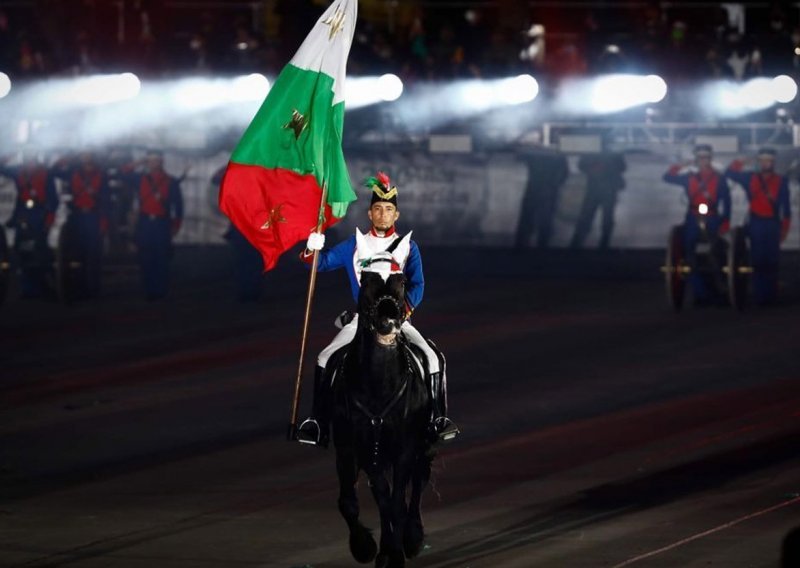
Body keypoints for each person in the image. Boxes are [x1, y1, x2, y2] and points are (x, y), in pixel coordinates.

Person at [296, 172, 459, 447]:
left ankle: (437, 419)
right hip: (362, 320)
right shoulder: (355, 245)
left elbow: (418, 284)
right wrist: (312, 249)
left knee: (434, 359)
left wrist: (404, 310)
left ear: (396, 215)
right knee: (324, 358)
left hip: (398, 320)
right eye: (378, 209)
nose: (383, 215)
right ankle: (318, 422)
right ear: (370, 214)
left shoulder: (409, 247)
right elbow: (320, 265)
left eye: (389, 210)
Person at [662, 144, 732, 304]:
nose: (703, 161)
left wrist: (725, 221)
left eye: (706, 157)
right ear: (696, 159)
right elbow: (667, 177)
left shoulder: (719, 179)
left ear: (710, 158)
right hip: (693, 218)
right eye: (700, 158)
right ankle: (701, 294)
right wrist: (680, 166)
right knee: (689, 256)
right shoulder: (689, 178)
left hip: (712, 218)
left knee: (715, 255)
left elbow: (727, 202)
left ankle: (720, 291)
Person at [725, 147, 791, 305]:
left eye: (768, 160)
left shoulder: (781, 181)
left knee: (772, 260)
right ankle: (760, 295)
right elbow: (730, 172)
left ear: (773, 162)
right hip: (756, 223)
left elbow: (786, 208)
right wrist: (742, 161)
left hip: (773, 223)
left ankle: (771, 295)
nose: (765, 163)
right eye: (762, 160)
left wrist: (784, 228)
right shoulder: (750, 178)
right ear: (759, 162)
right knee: (758, 260)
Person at [123, 150, 183, 300]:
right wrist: (139, 162)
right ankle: (149, 290)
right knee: (145, 257)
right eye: (150, 161)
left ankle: (161, 290)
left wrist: (176, 225)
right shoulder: (139, 179)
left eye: (155, 160)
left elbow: (178, 205)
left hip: (162, 222)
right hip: (144, 223)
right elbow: (123, 172)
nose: (152, 164)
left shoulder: (171, 181)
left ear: (161, 162)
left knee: (161, 257)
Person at [0, 148, 58, 298]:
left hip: (39, 212)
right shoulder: (19, 171)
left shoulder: (45, 173)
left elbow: (53, 199)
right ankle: (27, 287)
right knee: (22, 249)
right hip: (23, 213)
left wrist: (49, 218)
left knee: (40, 249)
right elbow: (3, 169)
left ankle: (43, 283)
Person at [53, 150, 109, 298]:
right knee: (78, 254)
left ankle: (94, 289)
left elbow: (105, 200)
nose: (86, 158)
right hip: (77, 216)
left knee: (93, 255)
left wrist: (103, 222)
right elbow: (54, 171)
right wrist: (66, 158)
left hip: (93, 216)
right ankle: (80, 286)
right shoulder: (73, 172)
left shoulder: (101, 175)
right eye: (83, 155)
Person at [569, 148, 627, 249]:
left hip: (600, 190)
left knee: (598, 217)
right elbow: (622, 167)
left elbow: (622, 167)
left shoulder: (594, 150)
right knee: (594, 217)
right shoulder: (610, 151)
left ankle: (579, 243)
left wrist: (601, 168)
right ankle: (599, 243)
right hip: (600, 190)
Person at [515, 146, 569, 249]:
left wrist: (553, 186)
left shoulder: (540, 152)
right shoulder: (553, 153)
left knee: (540, 223)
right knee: (534, 222)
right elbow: (564, 173)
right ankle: (531, 247)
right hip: (540, 190)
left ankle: (531, 247)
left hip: (541, 191)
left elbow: (564, 173)